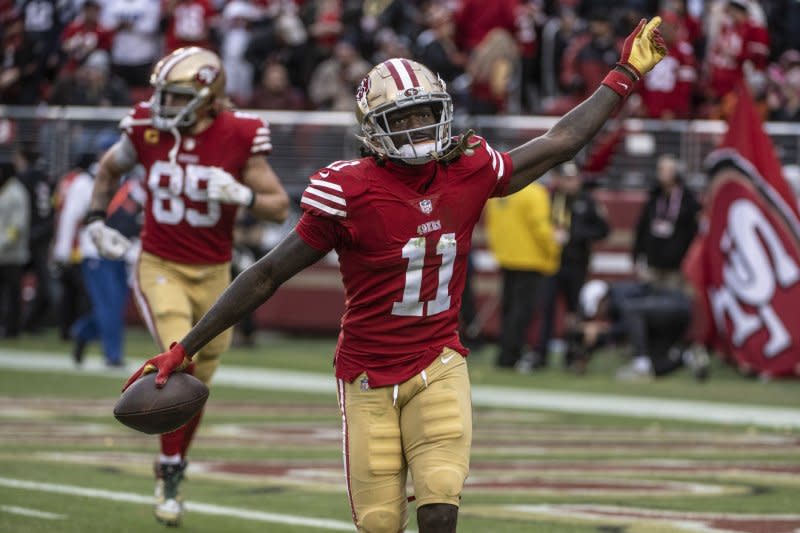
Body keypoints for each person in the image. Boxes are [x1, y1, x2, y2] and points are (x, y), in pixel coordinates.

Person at [123, 19, 667, 533]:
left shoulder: (469, 168)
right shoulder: (349, 192)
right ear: (372, 128)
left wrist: (623, 77)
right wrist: (185, 347)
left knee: (439, 505)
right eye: (401, 118)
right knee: (381, 523)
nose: (418, 127)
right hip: (366, 376)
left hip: (440, 360)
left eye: (425, 113)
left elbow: (560, 143)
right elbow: (266, 276)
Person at [86, 46, 289, 526]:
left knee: (195, 386)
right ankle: (172, 469)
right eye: (162, 96)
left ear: (210, 97)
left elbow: (278, 205)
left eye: (177, 97)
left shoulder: (239, 133)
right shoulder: (145, 128)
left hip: (217, 274)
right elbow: (110, 168)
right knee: (180, 357)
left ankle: (173, 460)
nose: (164, 107)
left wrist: (241, 194)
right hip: (160, 264)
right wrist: (96, 219)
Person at [532, 161, 610, 371]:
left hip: (576, 264)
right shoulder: (550, 199)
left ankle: (572, 355)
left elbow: (603, 230)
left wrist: (576, 235)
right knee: (546, 308)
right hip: (551, 263)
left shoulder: (587, 201)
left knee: (575, 312)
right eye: (565, 178)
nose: (569, 183)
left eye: (572, 178)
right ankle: (540, 355)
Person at [568, 278, 710, 381]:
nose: (598, 314)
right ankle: (689, 357)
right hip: (664, 320)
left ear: (601, 298)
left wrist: (603, 330)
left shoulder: (620, 296)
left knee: (632, 311)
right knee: (654, 368)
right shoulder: (618, 303)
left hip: (674, 306)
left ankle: (640, 366)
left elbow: (626, 325)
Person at [485, 180, 561, 370]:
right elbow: (540, 228)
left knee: (509, 309)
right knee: (522, 312)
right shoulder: (535, 193)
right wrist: (553, 251)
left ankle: (505, 354)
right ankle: (512, 355)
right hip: (530, 260)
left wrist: (499, 251)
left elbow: (491, 225)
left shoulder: (500, 192)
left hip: (506, 257)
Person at [632, 153, 700, 291]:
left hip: (676, 265)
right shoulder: (654, 196)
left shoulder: (688, 199)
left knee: (671, 304)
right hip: (653, 262)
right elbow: (642, 227)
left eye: (666, 169)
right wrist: (637, 255)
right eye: (660, 169)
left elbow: (694, 231)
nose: (661, 173)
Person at [0, 162, 30, 338]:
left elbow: (17, 226)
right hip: (3, 253)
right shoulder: (5, 190)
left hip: (12, 254)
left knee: (12, 293)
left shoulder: (16, 193)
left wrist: (3, 243)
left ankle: (12, 329)